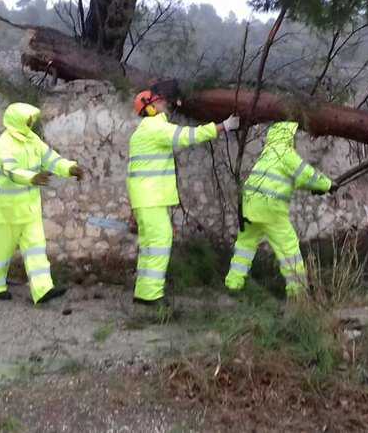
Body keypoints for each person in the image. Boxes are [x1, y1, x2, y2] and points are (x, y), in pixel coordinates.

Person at [127, 87, 238, 307]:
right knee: (160, 241)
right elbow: (189, 136)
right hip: (152, 198)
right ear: (150, 108)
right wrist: (222, 127)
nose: (163, 105)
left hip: (145, 199)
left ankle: (144, 292)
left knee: (149, 245)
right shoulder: (155, 128)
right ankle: (152, 296)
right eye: (159, 102)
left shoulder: (140, 132)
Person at [0, 103, 85, 304]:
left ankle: (42, 290)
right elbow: (10, 170)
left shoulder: (33, 140)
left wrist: (69, 168)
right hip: (7, 211)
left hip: (30, 209)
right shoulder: (4, 144)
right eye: (29, 119)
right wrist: (31, 178)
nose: (32, 122)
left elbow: (50, 159)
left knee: (36, 250)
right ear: (18, 121)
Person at [224, 121, 332, 297]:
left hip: (249, 208)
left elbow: (287, 179)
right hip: (270, 209)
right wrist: (328, 185)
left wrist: (314, 186)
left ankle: (233, 284)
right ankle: (297, 291)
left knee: (244, 246)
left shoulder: (267, 155)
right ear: (288, 137)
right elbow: (306, 174)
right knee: (289, 248)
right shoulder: (285, 154)